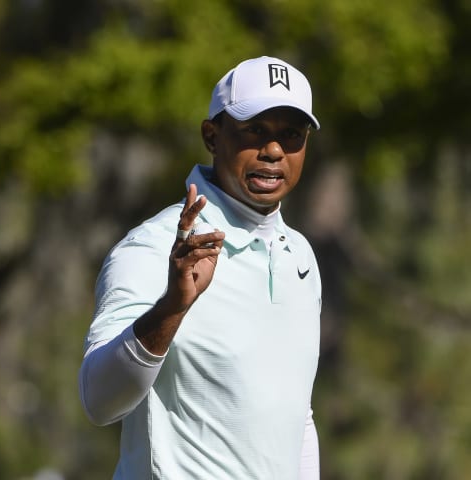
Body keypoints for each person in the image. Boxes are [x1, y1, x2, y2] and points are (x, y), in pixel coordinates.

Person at [79, 56, 322, 479]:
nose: (274, 151)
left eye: (291, 135)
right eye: (254, 130)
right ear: (212, 136)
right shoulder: (152, 248)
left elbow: (296, 417)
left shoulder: (299, 255)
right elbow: (99, 401)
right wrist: (171, 308)